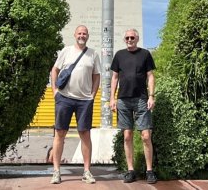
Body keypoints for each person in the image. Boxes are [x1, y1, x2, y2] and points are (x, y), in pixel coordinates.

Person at [50, 25, 101, 185]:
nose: (82, 35)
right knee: (60, 133)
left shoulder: (93, 54)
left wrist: (92, 95)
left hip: (84, 100)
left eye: (84, 33)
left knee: (85, 134)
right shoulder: (66, 51)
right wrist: (55, 91)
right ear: (75, 35)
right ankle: (56, 172)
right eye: (79, 33)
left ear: (88, 36)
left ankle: (87, 171)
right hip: (64, 98)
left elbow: (96, 76)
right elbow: (54, 70)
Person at [110, 27, 156, 184]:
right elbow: (114, 78)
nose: (130, 40)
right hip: (123, 100)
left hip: (141, 99)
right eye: (127, 38)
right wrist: (112, 99)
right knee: (127, 135)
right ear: (125, 39)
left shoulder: (145, 54)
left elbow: (150, 76)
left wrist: (151, 95)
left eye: (132, 38)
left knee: (146, 135)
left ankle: (149, 170)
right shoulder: (119, 55)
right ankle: (131, 171)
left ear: (137, 39)